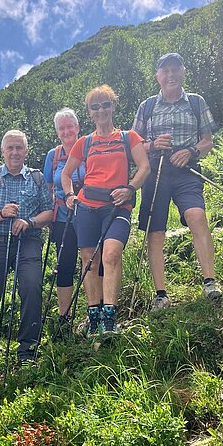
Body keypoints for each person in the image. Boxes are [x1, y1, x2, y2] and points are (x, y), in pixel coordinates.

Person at [132, 53, 222, 310]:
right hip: (155, 171)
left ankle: (210, 282)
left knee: (197, 216)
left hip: (187, 171)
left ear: (183, 72)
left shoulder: (196, 102)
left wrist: (192, 151)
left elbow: (207, 141)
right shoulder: (146, 106)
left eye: (175, 70)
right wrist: (151, 144)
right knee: (155, 230)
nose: (170, 75)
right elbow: (133, 145)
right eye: (165, 71)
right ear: (157, 76)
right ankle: (161, 294)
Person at [61, 85, 150, 336]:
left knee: (111, 253)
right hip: (87, 206)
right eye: (95, 106)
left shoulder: (128, 137)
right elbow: (66, 174)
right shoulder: (84, 142)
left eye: (105, 104)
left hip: (117, 206)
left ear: (113, 106)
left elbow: (144, 167)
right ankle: (94, 316)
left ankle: (110, 318)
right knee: (89, 260)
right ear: (89, 112)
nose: (101, 110)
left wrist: (130, 188)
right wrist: (69, 196)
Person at [0, 129, 53, 376]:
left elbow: (49, 213)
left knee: (31, 288)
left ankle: (27, 353)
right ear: (3, 151)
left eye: (19, 148)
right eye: (11, 148)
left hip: (28, 241)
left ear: (26, 151)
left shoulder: (37, 179)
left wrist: (29, 222)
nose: (15, 152)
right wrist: (0, 214)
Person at [43, 108, 85, 318]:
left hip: (89, 214)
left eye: (70, 126)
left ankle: (95, 311)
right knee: (65, 263)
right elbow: (48, 187)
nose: (67, 131)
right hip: (62, 217)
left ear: (77, 127)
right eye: (62, 128)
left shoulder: (90, 147)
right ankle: (64, 316)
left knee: (93, 262)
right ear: (57, 132)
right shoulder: (54, 155)